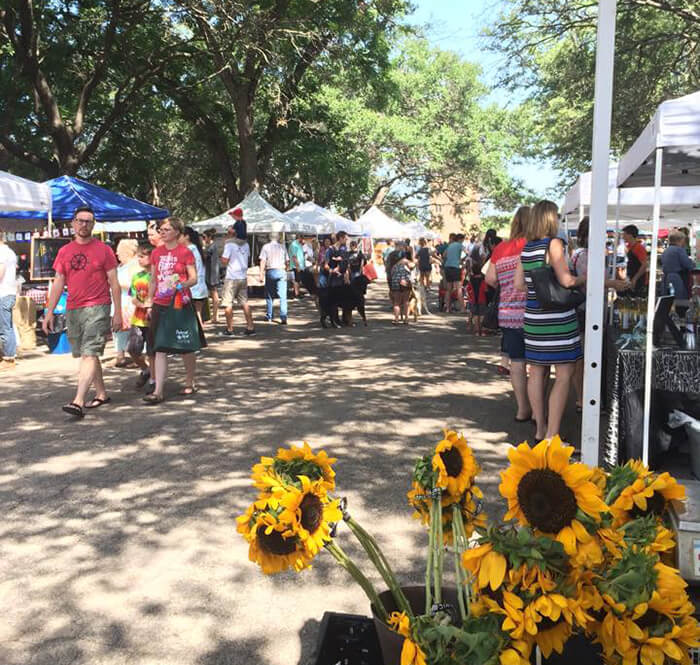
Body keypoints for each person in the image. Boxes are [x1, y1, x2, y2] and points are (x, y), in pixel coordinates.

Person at [514, 200, 585, 441]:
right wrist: (585, 277)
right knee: (564, 374)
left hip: (534, 318)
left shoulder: (527, 248)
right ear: (550, 219)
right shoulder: (553, 244)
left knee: (535, 372)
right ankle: (552, 435)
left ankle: (539, 429)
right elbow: (566, 281)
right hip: (558, 319)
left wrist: (539, 285)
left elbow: (518, 285)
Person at [43, 206, 122, 418]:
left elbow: (114, 283)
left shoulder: (104, 250)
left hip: (98, 306)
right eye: (80, 220)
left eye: (88, 221)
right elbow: (59, 281)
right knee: (86, 353)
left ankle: (78, 400)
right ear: (73, 223)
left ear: (93, 225)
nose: (83, 225)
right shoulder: (64, 251)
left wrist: (118, 312)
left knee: (89, 353)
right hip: (73, 308)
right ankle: (102, 393)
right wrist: (49, 312)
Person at [143, 217, 205, 404]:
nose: (163, 232)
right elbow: (154, 279)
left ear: (177, 232)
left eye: (167, 229)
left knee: (185, 345)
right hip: (160, 303)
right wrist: (148, 302)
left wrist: (181, 284)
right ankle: (158, 390)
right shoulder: (156, 253)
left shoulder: (185, 252)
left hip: (180, 303)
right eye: (161, 229)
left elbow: (194, 278)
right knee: (159, 346)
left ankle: (190, 380)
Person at [486, 206, 531, 421]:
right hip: (533, 312)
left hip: (508, 312)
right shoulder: (534, 244)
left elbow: (490, 279)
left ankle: (522, 408)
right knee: (539, 365)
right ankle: (539, 411)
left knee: (517, 362)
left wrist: (506, 286)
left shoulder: (501, 248)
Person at [127, 244, 155, 392]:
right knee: (132, 349)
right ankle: (146, 370)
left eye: (142, 256)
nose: (139, 259)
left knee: (152, 352)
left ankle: (153, 380)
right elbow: (132, 297)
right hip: (138, 319)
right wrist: (141, 304)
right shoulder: (137, 276)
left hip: (153, 320)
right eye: (138, 256)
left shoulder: (157, 276)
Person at [221, 220, 255, 335]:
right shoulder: (246, 244)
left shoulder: (229, 244)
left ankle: (230, 329)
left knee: (228, 303)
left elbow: (224, 261)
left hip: (231, 277)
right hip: (242, 277)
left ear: (234, 230)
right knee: (244, 302)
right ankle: (250, 326)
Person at [114, 239, 139, 367]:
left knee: (131, 331)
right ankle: (120, 355)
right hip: (119, 301)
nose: (117, 254)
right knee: (119, 330)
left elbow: (136, 285)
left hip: (128, 301)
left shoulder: (134, 265)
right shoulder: (120, 266)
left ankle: (137, 357)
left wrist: (117, 284)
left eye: (119, 251)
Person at [259, 232, 289, 324]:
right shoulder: (282, 247)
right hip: (281, 271)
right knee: (283, 296)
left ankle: (269, 315)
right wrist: (286, 270)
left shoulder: (265, 247)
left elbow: (263, 261)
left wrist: (261, 274)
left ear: (269, 237)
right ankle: (283, 317)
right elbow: (287, 260)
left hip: (270, 271)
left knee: (269, 295)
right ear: (278, 237)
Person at [662, 229, 695, 309]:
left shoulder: (666, 250)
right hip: (677, 278)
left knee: (669, 300)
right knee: (680, 300)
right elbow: (687, 264)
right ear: (679, 240)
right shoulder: (679, 250)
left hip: (666, 278)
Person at [182, 226, 208, 325]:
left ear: (186, 237)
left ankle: (198, 336)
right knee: (197, 314)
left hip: (193, 288)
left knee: (194, 316)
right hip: (200, 287)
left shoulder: (189, 250)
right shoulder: (196, 248)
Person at [0, 232, 18, 370]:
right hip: (9, 292)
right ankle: (9, 355)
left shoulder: (1, 252)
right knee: (8, 326)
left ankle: (9, 358)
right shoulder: (10, 251)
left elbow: (0, 272)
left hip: (3, 293)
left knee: (5, 327)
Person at [326, 231, 350, 326]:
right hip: (334, 279)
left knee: (345, 299)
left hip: (343, 278)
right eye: (345, 238)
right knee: (334, 301)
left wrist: (347, 275)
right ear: (340, 238)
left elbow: (346, 264)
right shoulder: (330, 250)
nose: (346, 240)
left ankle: (345, 319)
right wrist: (332, 270)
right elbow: (325, 264)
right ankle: (334, 320)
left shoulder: (344, 249)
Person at [622, 224, 648, 296]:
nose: (623, 236)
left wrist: (635, 279)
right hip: (632, 277)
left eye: (624, 234)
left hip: (639, 280)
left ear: (630, 235)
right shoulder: (629, 246)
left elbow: (644, 265)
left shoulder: (638, 248)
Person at [202, 229, 221, 325]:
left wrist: (203, 246)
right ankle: (215, 315)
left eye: (204, 237)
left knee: (214, 295)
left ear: (209, 237)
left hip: (211, 273)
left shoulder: (211, 247)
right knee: (213, 295)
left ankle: (215, 316)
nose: (203, 239)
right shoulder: (213, 246)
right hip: (212, 272)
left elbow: (204, 256)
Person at [443, 233, 466, 312]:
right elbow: (467, 252)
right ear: (460, 239)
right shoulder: (460, 245)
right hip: (455, 267)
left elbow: (444, 255)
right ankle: (462, 308)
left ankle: (447, 308)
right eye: (463, 240)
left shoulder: (450, 245)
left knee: (448, 289)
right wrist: (462, 260)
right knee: (459, 288)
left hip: (447, 267)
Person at [390, 251, 412, 325]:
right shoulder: (408, 263)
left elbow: (391, 274)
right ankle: (406, 319)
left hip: (395, 284)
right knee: (406, 302)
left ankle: (396, 320)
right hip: (406, 283)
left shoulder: (394, 266)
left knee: (396, 303)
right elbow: (413, 269)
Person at [466, 260, 488, 335]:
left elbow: (468, 289)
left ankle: (477, 331)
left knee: (476, 315)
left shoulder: (471, 279)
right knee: (482, 315)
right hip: (482, 299)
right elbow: (486, 289)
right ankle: (483, 330)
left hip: (473, 299)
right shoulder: (483, 279)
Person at [288, 235, 306, 299]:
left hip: (300, 266)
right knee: (296, 280)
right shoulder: (294, 245)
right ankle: (296, 294)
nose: (304, 240)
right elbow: (294, 256)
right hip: (295, 266)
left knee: (298, 280)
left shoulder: (299, 244)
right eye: (303, 238)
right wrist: (297, 266)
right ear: (300, 238)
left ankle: (298, 293)